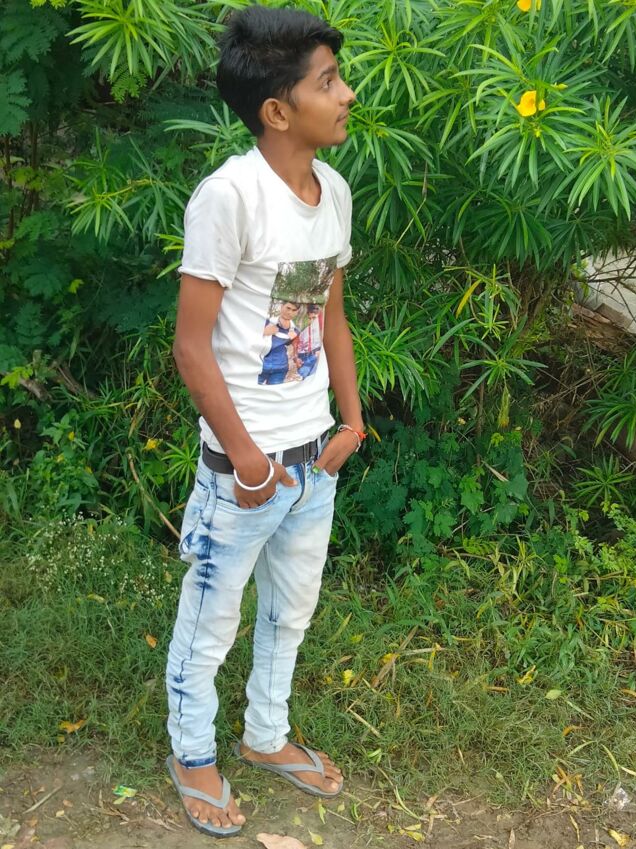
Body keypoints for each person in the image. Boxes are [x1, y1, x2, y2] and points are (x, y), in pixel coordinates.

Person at [164, 5, 365, 839]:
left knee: (292, 610)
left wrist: (351, 421)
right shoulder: (230, 197)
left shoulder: (333, 191)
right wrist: (245, 458)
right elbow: (191, 345)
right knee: (212, 617)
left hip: (315, 456)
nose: (346, 95)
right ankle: (191, 752)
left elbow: (331, 315)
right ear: (278, 110)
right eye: (329, 82)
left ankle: (265, 734)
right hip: (244, 470)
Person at [258, 301, 301, 385]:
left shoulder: (295, 331)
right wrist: (263, 332)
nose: (290, 312)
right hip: (260, 365)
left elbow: (295, 348)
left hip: (280, 367)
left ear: (297, 312)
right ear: (282, 306)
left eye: (294, 310)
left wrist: (296, 359)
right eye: (288, 308)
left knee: (274, 392)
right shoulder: (266, 322)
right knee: (253, 390)